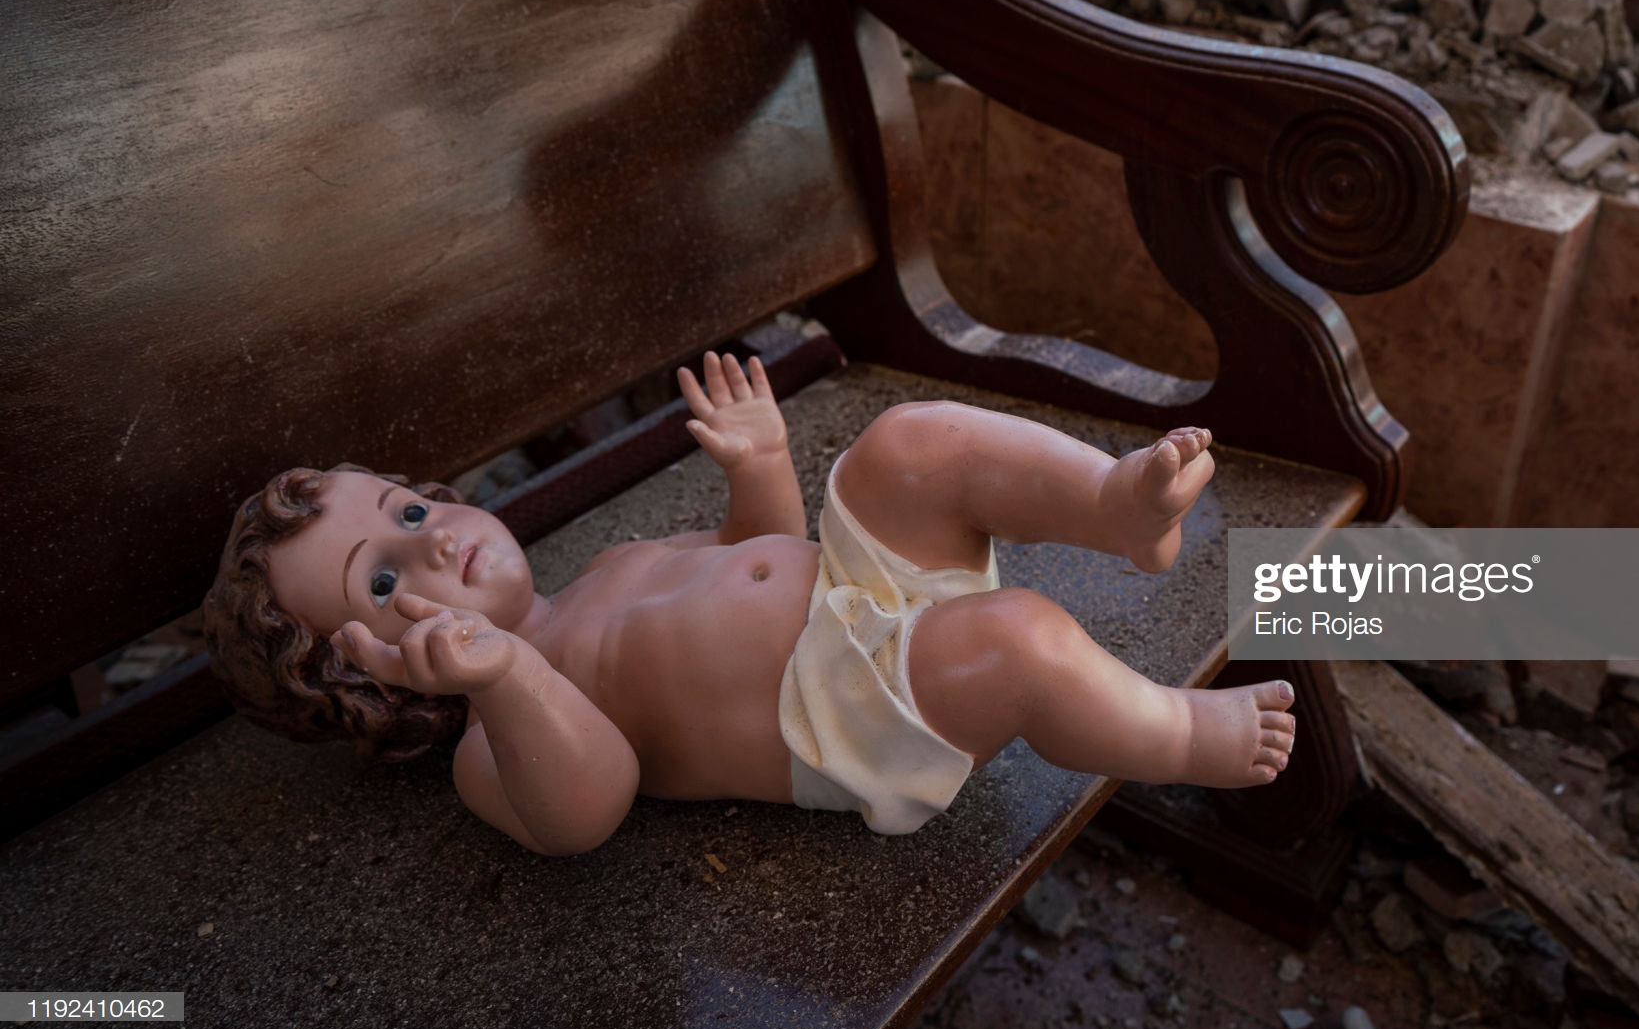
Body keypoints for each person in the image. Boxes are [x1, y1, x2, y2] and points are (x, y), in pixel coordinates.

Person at [203, 353, 1296, 855]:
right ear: (368, 678)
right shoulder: (495, 741)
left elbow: (758, 551)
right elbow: (586, 810)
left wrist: (761, 464)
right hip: (843, 707)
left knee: (910, 442)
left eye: (406, 508)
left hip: (856, 589)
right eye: (383, 580)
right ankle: (1180, 733)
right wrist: (505, 674)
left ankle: (1116, 508)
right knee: (1021, 640)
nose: (434, 536)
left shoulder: (608, 564)